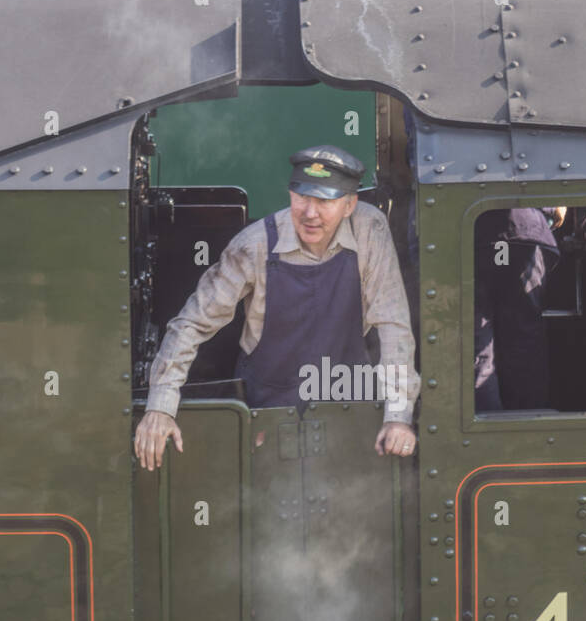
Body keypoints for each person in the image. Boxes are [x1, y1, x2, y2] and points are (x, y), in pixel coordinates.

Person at [134, 145, 419, 470]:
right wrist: (160, 407)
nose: (310, 213)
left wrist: (398, 416)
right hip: (267, 409)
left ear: (350, 204)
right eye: (301, 197)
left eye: (324, 201)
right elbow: (191, 324)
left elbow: (393, 325)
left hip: (346, 399)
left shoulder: (371, 230)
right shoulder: (253, 245)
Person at [474, 207, 563, 411]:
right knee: (524, 337)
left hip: (474, 233)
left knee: (478, 340)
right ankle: (527, 417)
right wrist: (552, 205)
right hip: (521, 230)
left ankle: (484, 420)